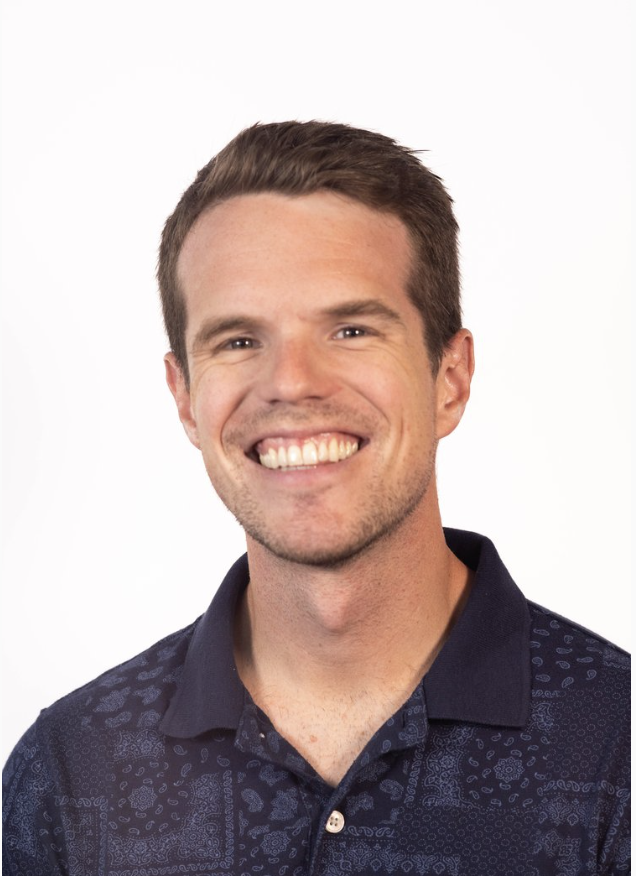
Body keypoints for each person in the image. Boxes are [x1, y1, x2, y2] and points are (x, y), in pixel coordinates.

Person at [3, 121, 629, 875]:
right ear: (184, 398)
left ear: (450, 378)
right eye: (238, 341)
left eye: (352, 328)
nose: (292, 381)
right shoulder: (71, 770)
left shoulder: (617, 745)